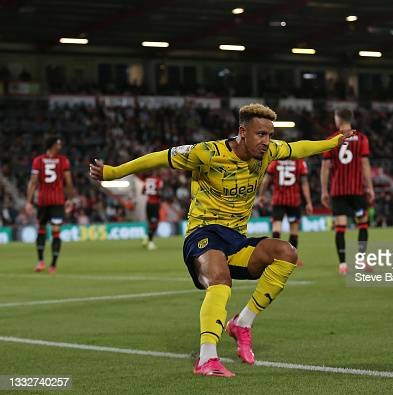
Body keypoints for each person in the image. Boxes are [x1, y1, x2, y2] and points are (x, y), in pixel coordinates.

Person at [89, 103, 352, 377]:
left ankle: (242, 323)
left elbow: (299, 148)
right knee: (219, 277)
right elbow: (157, 158)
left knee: (286, 252)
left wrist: (333, 142)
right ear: (242, 132)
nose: (267, 141)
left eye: (269, 135)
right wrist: (113, 172)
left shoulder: (268, 152)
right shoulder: (206, 153)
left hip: (235, 241)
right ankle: (207, 358)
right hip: (202, 234)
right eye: (260, 134)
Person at [321, 108, 374, 275]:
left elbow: (325, 167)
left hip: (338, 190)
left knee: (341, 227)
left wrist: (324, 190)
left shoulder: (331, 139)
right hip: (357, 190)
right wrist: (370, 187)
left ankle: (343, 264)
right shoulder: (362, 138)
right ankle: (361, 260)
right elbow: (365, 164)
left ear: (338, 119)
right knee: (363, 224)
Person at [25, 136, 75, 274]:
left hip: (44, 201)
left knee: (43, 229)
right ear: (52, 145)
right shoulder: (64, 161)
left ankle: (44, 262)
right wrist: (70, 199)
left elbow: (33, 182)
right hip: (56, 201)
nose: (60, 145)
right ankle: (51, 264)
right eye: (58, 143)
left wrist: (28, 201)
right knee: (54, 231)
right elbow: (69, 182)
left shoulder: (38, 161)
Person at [257, 158, 313, 249]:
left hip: (278, 200)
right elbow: (304, 183)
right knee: (294, 230)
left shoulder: (275, 163)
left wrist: (261, 195)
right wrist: (308, 202)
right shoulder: (299, 162)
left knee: (276, 227)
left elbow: (265, 181)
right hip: (294, 201)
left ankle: (275, 256)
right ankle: (291, 259)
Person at [140, 172, 163, 250]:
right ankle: (150, 242)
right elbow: (159, 193)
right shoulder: (159, 180)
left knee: (151, 223)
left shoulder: (148, 180)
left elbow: (142, 192)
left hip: (148, 204)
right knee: (154, 223)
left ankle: (146, 237)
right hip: (155, 204)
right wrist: (157, 193)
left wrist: (150, 192)